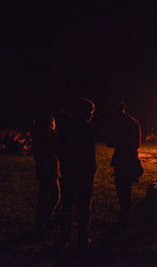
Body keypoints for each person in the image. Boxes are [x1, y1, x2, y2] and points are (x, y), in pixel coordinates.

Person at [57, 98, 96, 247]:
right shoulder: (87, 128)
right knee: (83, 206)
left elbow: (59, 148)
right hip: (83, 171)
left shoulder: (66, 127)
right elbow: (89, 152)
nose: (91, 114)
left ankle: (65, 237)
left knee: (67, 205)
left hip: (69, 171)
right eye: (90, 111)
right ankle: (82, 237)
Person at [108, 100, 143, 226]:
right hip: (128, 158)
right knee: (124, 187)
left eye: (113, 111)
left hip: (124, 159)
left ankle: (125, 213)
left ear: (119, 110)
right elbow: (137, 144)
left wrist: (117, 143)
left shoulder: (122, 123)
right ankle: (125, 211)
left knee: (123, 187)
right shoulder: (133, 123)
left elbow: (112, 142)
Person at [32, 114, 60, 233]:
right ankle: (44, 219)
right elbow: (57, 148)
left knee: (43, 197)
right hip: (48, 171)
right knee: (55, 196)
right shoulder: (46, 138)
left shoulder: (40, 137)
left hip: (44, 171)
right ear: (50, 125)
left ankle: (40, 222)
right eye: (53, 124)